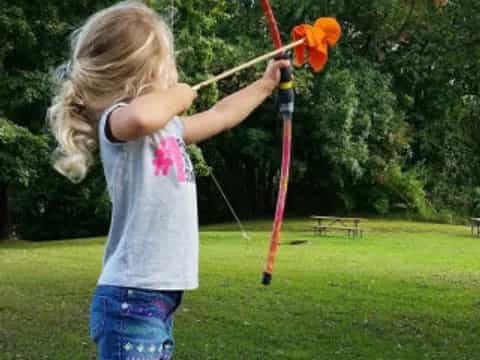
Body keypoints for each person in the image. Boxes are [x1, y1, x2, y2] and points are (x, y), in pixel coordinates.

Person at [47, 1, 289, 359]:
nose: (176, 71)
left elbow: (220, 115)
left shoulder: (169, 128)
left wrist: (265, 85)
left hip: (156, 297)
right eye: (169, 62)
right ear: (143, 75)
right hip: (131, 298)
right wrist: (177, 96)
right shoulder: (117, 122)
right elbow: (143, 116)